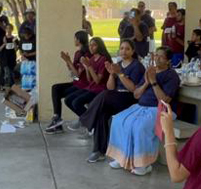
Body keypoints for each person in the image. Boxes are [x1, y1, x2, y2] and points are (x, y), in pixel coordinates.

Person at [105, 47, 180, 176]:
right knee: (118, 120)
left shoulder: (171, 75)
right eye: (156, 55)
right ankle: (120, 157)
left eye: (161, 57)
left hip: (159, 109)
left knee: (140, 127)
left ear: (168, 61)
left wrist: (154, 82)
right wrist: (146, 82)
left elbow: (164, 99)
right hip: (140, 107)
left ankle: (143, 164)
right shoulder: (149, 72)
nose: (157, 58)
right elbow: (136, 95)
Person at [81, 40, 145, 164]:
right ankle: (99, 151)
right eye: (121, 48)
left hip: (129, 99)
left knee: (104, 94)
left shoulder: (137, 66)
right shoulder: (118, 64)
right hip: (115, 97)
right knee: (102, 114)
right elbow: (110, 87)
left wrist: (120, 74)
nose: (124, 51)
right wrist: (111, 74)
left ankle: (84, 119)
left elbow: (133, 89)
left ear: (132, 51)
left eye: (127, 49)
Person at [44, 30, 91, 134]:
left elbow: (78, 75)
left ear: (78, 40)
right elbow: (74, 73)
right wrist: (67, 62)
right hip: (77, 82)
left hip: (83, 85)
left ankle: (86, 118)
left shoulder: (85, 54)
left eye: (74, 38)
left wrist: (69, 61)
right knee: (56, 88)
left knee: (64, 96)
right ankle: (57, 119)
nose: (73, 40)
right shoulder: (77, 53)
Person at [59, 37, 112, 127]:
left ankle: (91, 123)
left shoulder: (103, 59)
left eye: (94, 45)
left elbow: (97, 81)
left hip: (99, 89)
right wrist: (86, 67)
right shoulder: (90, 59)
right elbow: (89, 79)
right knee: (68, 100)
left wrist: (89, 66)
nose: (91, 47)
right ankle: (89, 121)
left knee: (76, 102)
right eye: (90, 45)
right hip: (90, 87)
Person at [161, 1, 185, 66]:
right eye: (169, 6)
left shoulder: (184, 27)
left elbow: (184, 42)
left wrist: (175, 38)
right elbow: (164, 30)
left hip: (178, 51)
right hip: (170, 48)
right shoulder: (171, 22)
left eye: (171, 6)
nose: (170, 8)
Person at [0, 19, 18, 90]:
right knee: (6, 71)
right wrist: (4, 44)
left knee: (11, 71)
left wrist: (14, 42)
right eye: (7, 28)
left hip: (12, 57)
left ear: (12, 29)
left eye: (10, 28)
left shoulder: (14, 38)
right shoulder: (3, 38)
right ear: (6, 29)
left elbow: (16, 49)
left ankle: (12, 86)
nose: (9, 30)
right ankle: (4, 85)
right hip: (4, 57)